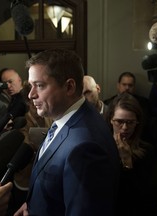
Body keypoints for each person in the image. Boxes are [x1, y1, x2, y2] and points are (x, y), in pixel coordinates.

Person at [14, 49, 120, 216]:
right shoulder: (67, 118)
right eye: (30, 85)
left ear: (69, 87)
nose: (31, 94)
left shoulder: (84, 146)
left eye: (40, 85)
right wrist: (32, 206)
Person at [105, 92, 157, 216]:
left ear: (137, 122)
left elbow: (144, 197)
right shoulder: (100, 146)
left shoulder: (147, 151)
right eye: (119, 122)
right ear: (111, 120)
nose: (125, 127)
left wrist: (127, 160)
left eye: (130, 122)